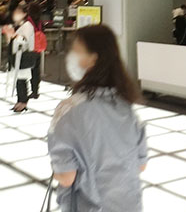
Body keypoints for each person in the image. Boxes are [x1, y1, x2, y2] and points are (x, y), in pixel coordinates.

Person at [48, 24, 147, 211]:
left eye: (76, 50)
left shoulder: (68, 110)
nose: (71, 56)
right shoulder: (127, 107)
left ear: (93, 59)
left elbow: (66, 177)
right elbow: (140, 165)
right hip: (130, 204)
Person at [5, 4, 36, 113]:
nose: (15, 15)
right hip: (16, 55)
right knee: (18, 79)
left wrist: (13, 35)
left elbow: (24, 40)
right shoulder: (20, 25)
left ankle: (23, 102)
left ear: (24, 14)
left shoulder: (27, 25)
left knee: (22, 79)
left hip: (23, 55)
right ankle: (20, 101)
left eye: (18, 13)